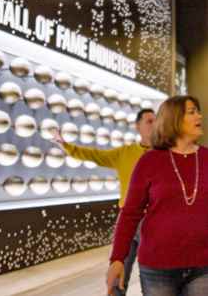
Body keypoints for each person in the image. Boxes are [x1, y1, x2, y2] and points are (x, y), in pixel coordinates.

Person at [106, 96, 208, 296]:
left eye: (198, 111)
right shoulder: (149, 161)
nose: (199, 116)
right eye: (192, 111)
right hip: (158, 267)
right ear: (174, 119)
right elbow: (130, 213)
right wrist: (117, 259)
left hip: (207, 266)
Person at [52, 108, 155, 296]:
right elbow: (94, 155)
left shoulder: (164, 155)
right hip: (128, 221)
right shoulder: (124, 153)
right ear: (137, 126)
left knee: (154, 278)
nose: (154, 125)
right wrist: (66, 146)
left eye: (156, 121)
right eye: (149, 121)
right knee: (117, 274)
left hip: (155, 224)